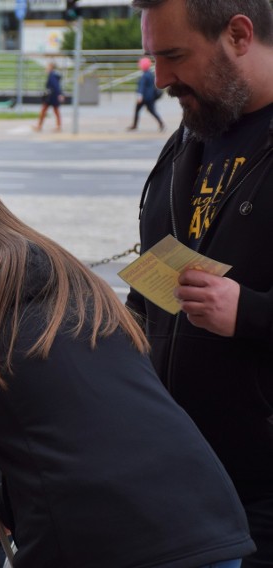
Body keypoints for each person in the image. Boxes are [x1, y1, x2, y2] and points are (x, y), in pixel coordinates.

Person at [0, 152, 255, 568]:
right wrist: (18, 501)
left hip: (102, 542)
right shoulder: (70, 280)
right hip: (206, 517)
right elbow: (75, 420)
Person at [127, 0, 273, 566]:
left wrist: (251, 313)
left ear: (239, 35)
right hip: (178, 481)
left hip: (261, 496)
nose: (160, 78)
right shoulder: (189, 138)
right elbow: (151, 293)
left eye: (174, 55)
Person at [127, 56, 166, 132]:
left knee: (138, 110)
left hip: (144, 97)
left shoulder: (144, 75)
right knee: (152, 111)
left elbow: (141, 86)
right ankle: (161, 123)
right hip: (150, 97)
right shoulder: (150, 74)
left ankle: (134, 125)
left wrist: (139, 96)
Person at [34, 61, 63, 132]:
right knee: (55, 111)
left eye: (47, 67)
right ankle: (58, 126)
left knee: (44, 110)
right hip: (53, 96)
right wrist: (60, 94)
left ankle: (39, 126)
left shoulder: (52, 75)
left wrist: (60, 94)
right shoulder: (53, 75)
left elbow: (56, 86)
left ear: (51, 68)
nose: (46, 68)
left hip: (51, 96)